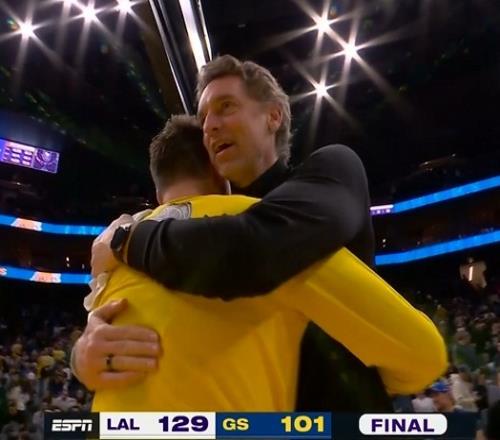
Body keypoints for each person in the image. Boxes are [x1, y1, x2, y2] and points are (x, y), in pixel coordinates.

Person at [80, 55, 439, 410]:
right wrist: (84, 353)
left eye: (225, 107)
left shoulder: (331, 170)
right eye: (203, 119)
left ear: (273, 116)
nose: (210, 126)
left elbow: (255, 249)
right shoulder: (204, 234)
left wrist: (126, 240)